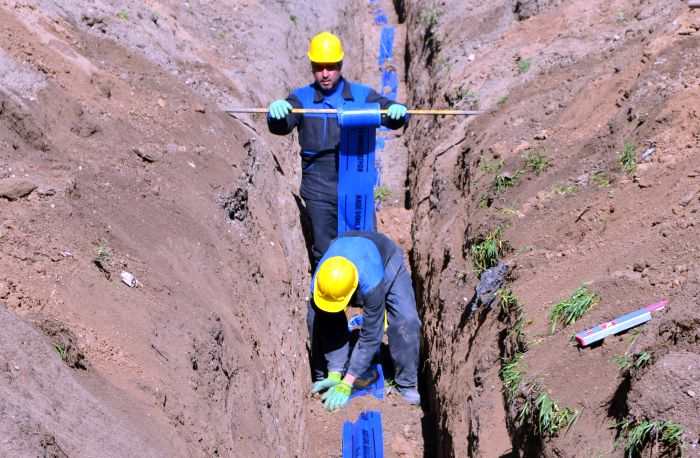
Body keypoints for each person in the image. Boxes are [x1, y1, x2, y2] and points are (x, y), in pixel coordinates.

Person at [267, 31, 409, 265]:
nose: (324, 74)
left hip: (356, 187)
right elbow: (282, 126)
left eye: (330, 67)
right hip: (319, 191)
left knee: (365, 246)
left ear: (340, 65)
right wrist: (277, 114)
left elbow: (388, 111)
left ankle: (366, 297)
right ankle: (330, 299)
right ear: (312, 67)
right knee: (325, 252)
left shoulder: (361, 95)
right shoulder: (301, 99)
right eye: (319, 67)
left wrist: (396, 111)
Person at [307, 230, 421, 411]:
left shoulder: (371, 279)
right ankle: (331, 370)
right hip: (346, 248)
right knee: (322, 315)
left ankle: (406, 382)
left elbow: (372, 334)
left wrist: (348, 381)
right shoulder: (321, 280)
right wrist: (335, 373)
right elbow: (325, 321)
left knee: (406, 320)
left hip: (386, 261)